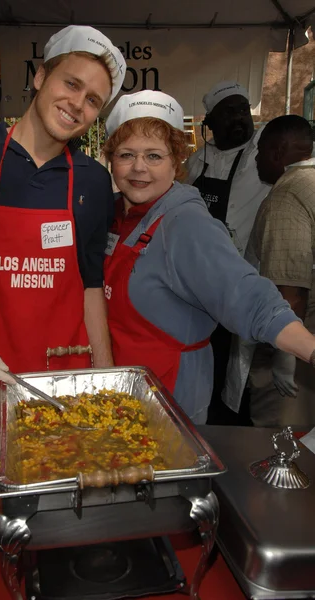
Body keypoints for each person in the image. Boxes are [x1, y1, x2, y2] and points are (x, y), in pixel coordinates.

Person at [0, 25, 126, 454]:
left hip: (63, 391)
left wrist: (104, 380)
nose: (77, 105)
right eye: (71, 84)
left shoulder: (92, 180)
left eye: (93, 101)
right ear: (39, 76)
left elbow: (90, 287)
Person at [102, 90, 315, 424]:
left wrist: (309, 349)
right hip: (119, 392)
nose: (139, 168)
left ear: (176, 161)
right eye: (126, 154)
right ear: (110, 159)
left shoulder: (185, 223)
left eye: (154, 156)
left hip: (167, 400)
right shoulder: (116, 213)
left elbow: (244, 293)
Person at [183, 81, 271, 422]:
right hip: (202, 281)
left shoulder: (262, 153)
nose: (240, 119)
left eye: (243, 110)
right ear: (209, 123)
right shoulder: (195, 163)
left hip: (246, 273)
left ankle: (236, 420)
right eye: (229, 112)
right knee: (211, 354)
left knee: (243, 359)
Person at [245, 115, 315, 427]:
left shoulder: (287, 195)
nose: (257, 159)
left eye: (259, 151)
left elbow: (290, 290)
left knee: (282, 439)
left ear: (277, 152)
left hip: (298, 347)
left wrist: (285, 359)